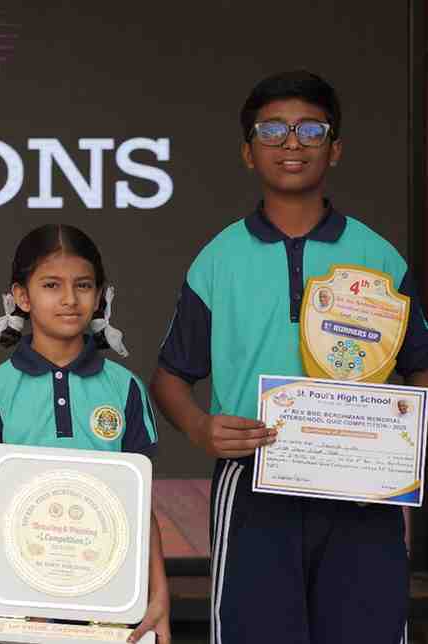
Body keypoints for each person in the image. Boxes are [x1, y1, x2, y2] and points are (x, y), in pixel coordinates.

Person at [150, 70, 428, 644]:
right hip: (254, 480)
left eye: (311, 129)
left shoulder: (379, 255)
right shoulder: (218, 259)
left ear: (336, 148)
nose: (293, 142)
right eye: (273, 130)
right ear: (248, 152)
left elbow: (420, 363)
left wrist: (401, 432)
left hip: (363, 488)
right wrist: (201, 428)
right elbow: (170, 378)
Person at [0, 224, 170, 644]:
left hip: (106, 606)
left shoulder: (125, 388)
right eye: (51, 285)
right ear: (22, 296)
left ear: (101, 295)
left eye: (83, 285)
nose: (70, 299)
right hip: (17, 607)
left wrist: (158, 596)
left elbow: (141, 508)